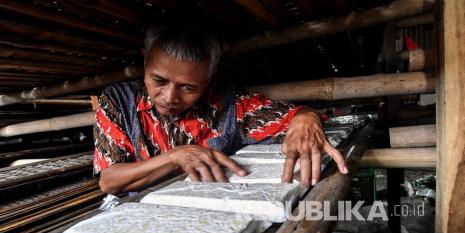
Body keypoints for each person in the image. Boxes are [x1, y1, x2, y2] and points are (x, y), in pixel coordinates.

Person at [93, 22, 348, 195]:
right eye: (159, 80)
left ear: (209, 78)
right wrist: (174, 157)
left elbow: (297, 117)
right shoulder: (118, 101)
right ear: (145, 60)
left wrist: (307, 118)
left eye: (189, 87)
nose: (169, 97)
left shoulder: (232, 106)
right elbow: (109, 181)